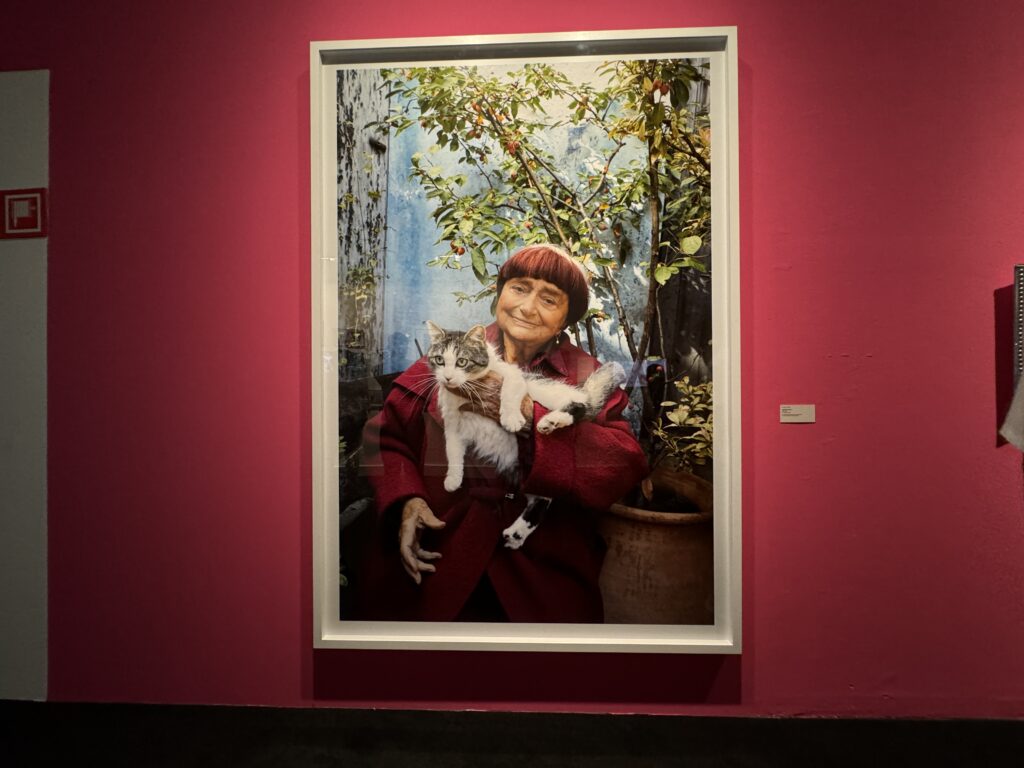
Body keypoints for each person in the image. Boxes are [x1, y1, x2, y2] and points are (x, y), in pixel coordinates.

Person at [354, 244, 648, 622]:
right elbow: (386, 439)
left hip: (540, 569)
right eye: (519, 288)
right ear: (500, 295)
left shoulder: (585, 375)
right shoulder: (451, 359)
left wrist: (530, 415)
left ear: (566, 318)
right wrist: (407, 500)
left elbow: (622, 465)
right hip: (444, 550)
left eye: (549, 299)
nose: (527, 307)